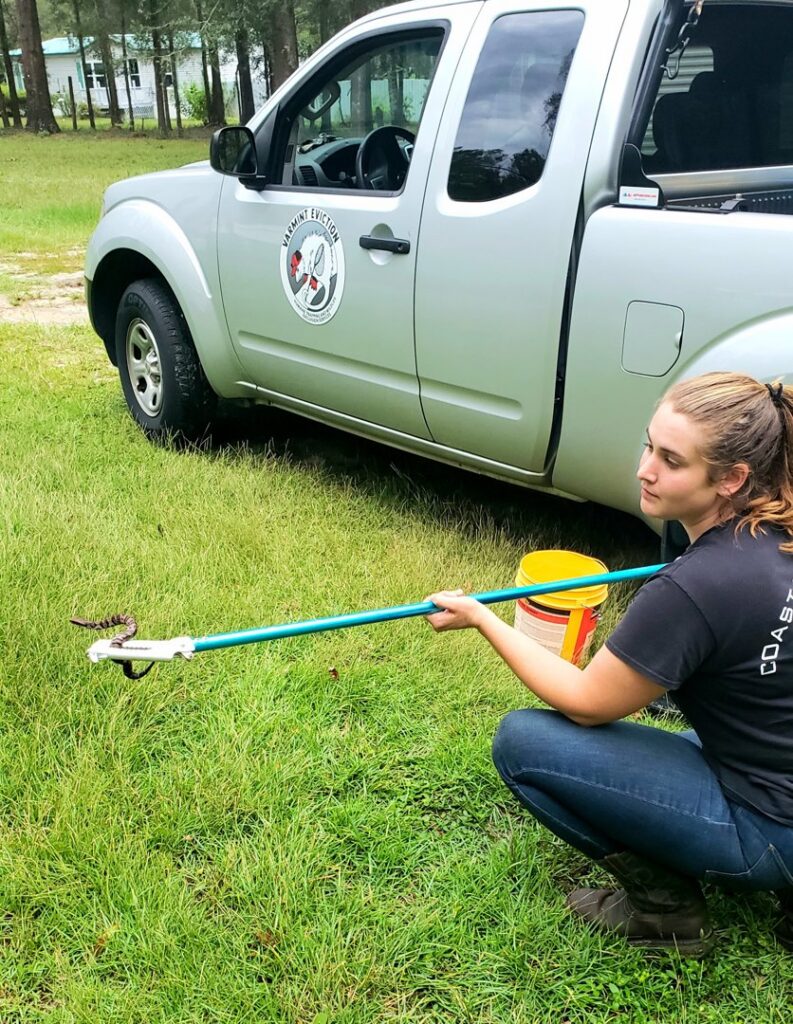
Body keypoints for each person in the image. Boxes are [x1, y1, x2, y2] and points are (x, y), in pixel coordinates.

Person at [426, 372, 793, 957]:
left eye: (672, 460)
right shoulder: (779, 532)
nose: (645, 469)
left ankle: (666, 913)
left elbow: (587, 703)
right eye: (650, 445)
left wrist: (483, 619)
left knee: (523, 743)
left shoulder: (697, 587)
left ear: (731, 478)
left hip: (770, 828)